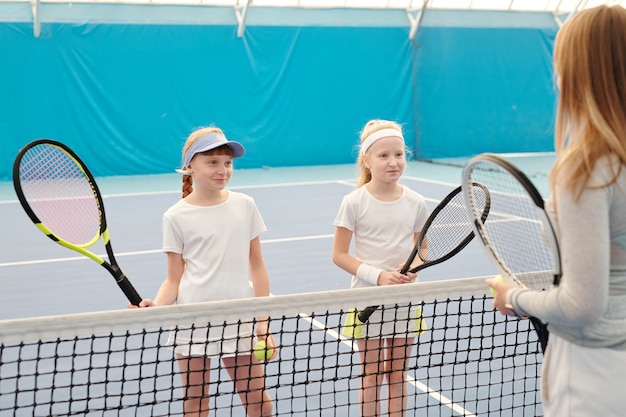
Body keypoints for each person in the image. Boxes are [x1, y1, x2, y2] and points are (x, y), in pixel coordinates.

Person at [487, 5, 626, 416]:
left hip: (595, 374)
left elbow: (582, 306)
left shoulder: (587, 167)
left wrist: (517, 298)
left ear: (578, 72)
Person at [130, 126, 277, 417]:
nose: (222, 169)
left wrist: (262, 321)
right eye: (212, 162)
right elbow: (174, 278)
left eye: (227, 162)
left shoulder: (245, 205)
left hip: (238, 321)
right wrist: (157, 305)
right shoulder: (175, 216)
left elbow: (258, 266)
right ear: (189, 167)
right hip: (192, 323)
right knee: (196, 403)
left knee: (258, 401)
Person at [332, 119, 429, 417]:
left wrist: (414, 266)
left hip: (404, 302)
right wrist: (378, 276)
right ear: (367, 159)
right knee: (371, 376)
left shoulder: (416, 202)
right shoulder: (353, 202)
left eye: (399, 154)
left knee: (398, 375)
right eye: (384, 155)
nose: (393, 162)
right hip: (367, 302)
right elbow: (339, 255)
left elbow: (422, 248)